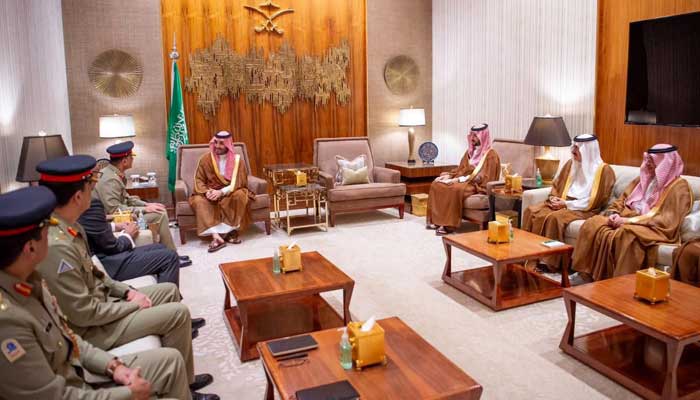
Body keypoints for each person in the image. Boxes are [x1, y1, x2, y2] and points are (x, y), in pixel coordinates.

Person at [35, 155, 218, 400]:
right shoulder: (57, 245)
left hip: (105, 302)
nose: (94, 191)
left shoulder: (71, 227)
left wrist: (127, 291)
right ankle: (184, 388)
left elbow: (96, 274)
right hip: (97, 327)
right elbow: (85, 313)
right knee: (177, 313)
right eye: (91, 186)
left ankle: (187, 382)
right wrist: (132, 304)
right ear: (78, 196)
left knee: (168, 290)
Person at [0, 186, 193, 399]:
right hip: (84, 368)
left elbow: (69, 338)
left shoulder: (32, 282)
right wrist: (128, 394)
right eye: (46, 232)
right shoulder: (8, 321)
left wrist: (113, 365)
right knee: (175, 326)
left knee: (171, 360)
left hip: (85, 368)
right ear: (30, 248)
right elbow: (54, 395)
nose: (51, 235)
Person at [571, 144, 693, 284]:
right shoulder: (643, 178)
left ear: (666, 163)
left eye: (653, 161)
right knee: (593, 222)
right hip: (628, 218)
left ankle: (619, 282)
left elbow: (667, 219)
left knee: (626, 234)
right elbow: (622, 199)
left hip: (654, 228)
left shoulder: (679, 187)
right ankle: (585, 273)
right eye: (648, 160)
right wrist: (614, 213)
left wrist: (628, 221)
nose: (648, 163)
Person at [522, 134, 615, 271]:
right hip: (563, 202)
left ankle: (548, 262)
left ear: (588, 150)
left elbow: (596, 200)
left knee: (554, 218)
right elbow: (557, 185)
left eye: (577, 148)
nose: (573, 151)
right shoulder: (571, 164)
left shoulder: (604, 171)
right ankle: (525, 254)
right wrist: (554, 198)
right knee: (531, 211)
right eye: (573, 147)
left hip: (584, 208)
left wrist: (566, 204)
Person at [94, 141, 183, 256]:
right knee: (159, 214)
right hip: (112, 220)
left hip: (121, 213)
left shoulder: (113, 173)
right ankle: (172, 254)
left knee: (157, 209)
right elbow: (114, 210)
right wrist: (144, 210)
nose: (133, 159)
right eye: (131, 157)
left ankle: (165, 252)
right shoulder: (110, 179)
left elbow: (127, 198)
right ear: (124, 161)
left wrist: (146, 205)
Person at [78, 197, 184, 285]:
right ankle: (169, 300)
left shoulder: (78, 205)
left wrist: (115, 226)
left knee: (160, 247)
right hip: (105, 264)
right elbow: (113, 247)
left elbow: (90, 226)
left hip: (102, 256)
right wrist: (128, 235)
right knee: (170, 257)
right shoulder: (89, 203)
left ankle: (169, 296)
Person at [426, 123, 501, 235]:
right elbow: (461, 168)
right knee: (436, 184)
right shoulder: (470, 151)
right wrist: (449, 175)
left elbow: (484, 177)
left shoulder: (491, 155)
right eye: (471, 135)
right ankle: (437, 221)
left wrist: (458, 180)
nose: (472, 138)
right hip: (463, 180)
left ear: (483, 136)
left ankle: (448, 225)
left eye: (475, 136)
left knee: (454, 189)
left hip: (476, 184)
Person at [189, 131, 254, 252]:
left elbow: (239, 182)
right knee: (198, 201)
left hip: (229, 192)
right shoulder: (205, 159)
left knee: (240, 195)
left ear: (228, 145)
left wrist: (221, 192)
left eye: (221, 143)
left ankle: (228, 233)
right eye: (216, 142)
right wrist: (207, 192)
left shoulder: (237, 160)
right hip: (210, 192)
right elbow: (199, 180)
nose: (217, 146)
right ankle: (216, 236)